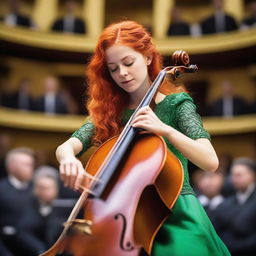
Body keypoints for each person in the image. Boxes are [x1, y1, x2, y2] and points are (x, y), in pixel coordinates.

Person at [56, 20, 230, 255]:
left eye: (128, 63)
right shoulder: (110, 112)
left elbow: (210, 161)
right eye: (113, 68)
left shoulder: (177, 104)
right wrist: (68, 158)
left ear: (148, 57)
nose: (122, 73)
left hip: (175, 212)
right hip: (126, 220)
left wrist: (165, 130)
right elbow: (69, 145)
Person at [213, 157, 256, 256]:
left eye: (239, 175)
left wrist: (236, 247)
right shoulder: (225, 203)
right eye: (233, 175)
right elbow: (218, 230)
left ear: (252, 175)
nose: (234, 179)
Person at [17, 166, 63, 256]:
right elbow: (23, 231)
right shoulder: (29, 204)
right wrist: (41, 250)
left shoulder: (64, 206)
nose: (47, 192)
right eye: (43, 188)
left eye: (49, 188)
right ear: (36, 189)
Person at [0, 147, 35, 256]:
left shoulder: (37, 189)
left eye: (32, 165)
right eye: (26, 165)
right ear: (12, 167)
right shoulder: (1, 189)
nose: (31, 168)